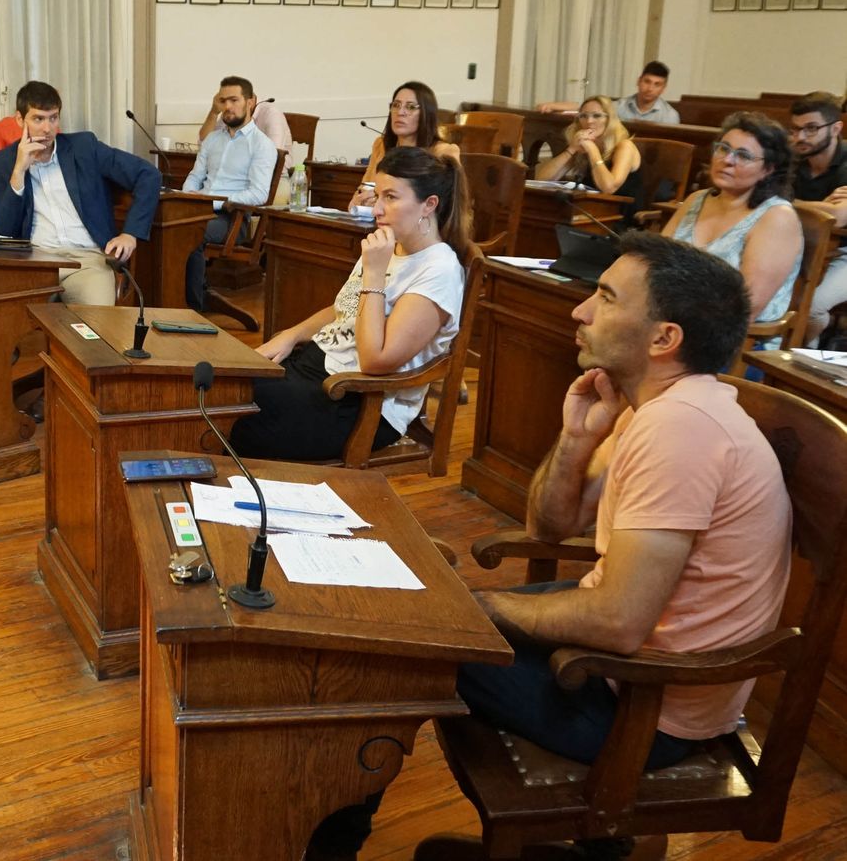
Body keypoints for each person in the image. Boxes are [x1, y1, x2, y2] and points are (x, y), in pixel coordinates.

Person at [410, 233, 791, 860]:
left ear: (664, 338)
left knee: (415, 645)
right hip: (628, 664)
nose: (579, 310)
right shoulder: (658, 408)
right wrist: (579, 438)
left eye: (606, 298)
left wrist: (479, 611)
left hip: (647, 705)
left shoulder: (681, 428)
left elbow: (616, 622)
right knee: (436, 624)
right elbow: (550, 526)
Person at [230, 147, 469, 461]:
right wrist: (291, 334)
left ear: (429, 205)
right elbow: (343, 308)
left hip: (360, 401)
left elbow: (375, 362)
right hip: (315, 369)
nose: (376, 210)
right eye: (377, 195)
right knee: (220, 385)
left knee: (229, 415)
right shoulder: (390, 245)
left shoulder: (438, 270)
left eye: (392, 198)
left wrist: (373, 275)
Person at [0, 80, 162, 305]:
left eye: (53, 118)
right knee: (5, 316)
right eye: (38, 119)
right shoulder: (5, 161)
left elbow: (149, 174)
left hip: (88, 261)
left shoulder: (84, 147)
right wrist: (19, 171)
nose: (47, 128)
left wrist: (130, 233)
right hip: (36, 261)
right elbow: (4, 230)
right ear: (20, 120)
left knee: (98, 325)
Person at [662, 112, 802, 345]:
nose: (728, 160)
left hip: (736, 347)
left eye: (743, 155)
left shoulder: (777, 218)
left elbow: (745, 309)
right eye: (724, 149)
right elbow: (655, 264)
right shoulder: (696, 200)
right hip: (672, 326)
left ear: (767, 169)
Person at [180, 75, 279, 312]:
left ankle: (191, 309)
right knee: (165, 225)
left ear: (251, 101)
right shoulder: (212, 139)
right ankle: (174, 298)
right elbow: (195, 176)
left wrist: (215, 202)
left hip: (231, 217)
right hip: (198, 209)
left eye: (234, 100)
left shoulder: (261, 145)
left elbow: (258, 194)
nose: (227, 107)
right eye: (223, 101)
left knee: (187, 233)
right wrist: (186, 198)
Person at [787, 91, 847, 345]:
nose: (800, 137)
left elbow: (839, 217)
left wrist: (791, 204)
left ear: (835, 128)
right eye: (795, 129)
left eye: (811, 129)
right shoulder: (791, 159)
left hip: (843, 251)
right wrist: (818, 208)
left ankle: (804, 360)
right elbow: (766, 201)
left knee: (811, 308)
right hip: (799, 246)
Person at [350, 81, 461, 209]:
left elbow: (448, 209)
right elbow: (359, 193)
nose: (400, 112)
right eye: (396, 105)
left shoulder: (443, 152)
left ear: (426, 114)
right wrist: (359, 203)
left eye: (411, 107)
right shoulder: (381, 145)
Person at [533, 95, 647, 213]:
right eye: (583, 116)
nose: (589, 121)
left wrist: (592, 150)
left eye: (597, 116)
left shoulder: (625, 146)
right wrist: (572, 149)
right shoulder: (582, 145)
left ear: (610, 119)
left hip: (620, 216)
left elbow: (609, 187)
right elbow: (541, 180)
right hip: (591, 209)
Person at [537, 60, 681, 125]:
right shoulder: (620, 105)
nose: (650, 88)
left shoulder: (670, 116)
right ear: (639, 81)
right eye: (647, 81)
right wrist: (552, 105)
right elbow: (587, 107)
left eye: (657, 84)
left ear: (664, 88)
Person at [196, 78, 293, 168]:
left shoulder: (272, 113)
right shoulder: (233, 112)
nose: (228, 106)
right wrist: (214, 112)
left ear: (249, 102)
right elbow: (205, 145)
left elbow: (272, 157)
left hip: (275, 178)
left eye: (234, 100)